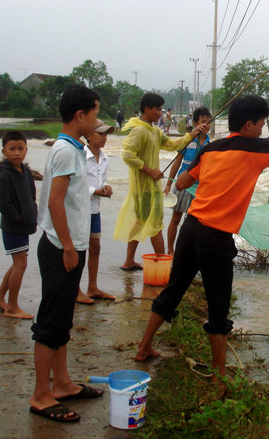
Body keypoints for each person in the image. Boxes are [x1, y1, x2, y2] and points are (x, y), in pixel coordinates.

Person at [135, 95, 269, 382]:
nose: (264, 130)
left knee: (173, 290)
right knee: (218, 307)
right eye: (263, 124)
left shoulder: (212, 148)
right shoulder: (255, 148)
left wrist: (213, 177)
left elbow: (180, 183)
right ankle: (218, 377)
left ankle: (143, 348)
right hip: (215, 238)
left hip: (191, 227)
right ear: (249, 124)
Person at [29, 85, 104, 423]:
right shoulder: (64, 151)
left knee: (62, 320)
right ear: (80, 115)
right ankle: (41, 395)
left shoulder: (75, 148)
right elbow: (54, 202)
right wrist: (70, 247)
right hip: (61, 247)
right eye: (95, 113)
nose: (97, 119)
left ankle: (61, 383)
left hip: (71, 244)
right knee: (50, 321)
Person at [114, 92, 209, 271]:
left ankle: (128, 261)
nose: (161, 113)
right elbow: (127, 155)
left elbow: (173, 145)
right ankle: (166, 266)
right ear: (147, 109)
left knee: (140, 222)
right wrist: (149, 170)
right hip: (143, 186)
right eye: (158, 109)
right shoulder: (140, 130)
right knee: (155, 224)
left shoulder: (153, 130)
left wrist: (193, 134)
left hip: (149, 185)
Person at [0, 131, 38, 319]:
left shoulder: (25, 171)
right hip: (13, 227)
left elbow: (31, 195)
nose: (16, 153)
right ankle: (12, 306)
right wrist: (17, 218)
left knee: (19, 263)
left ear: (26, 149)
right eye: (12, 149)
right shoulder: (5, 175)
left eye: (20, 149)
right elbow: (1, 203)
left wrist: (31, 214)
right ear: (4, 151)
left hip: (24, 224)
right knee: (21, 264)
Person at [75, 119, 115, 304]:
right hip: (80, 209)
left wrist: (106, 188)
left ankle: (92, 287)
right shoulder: (80, 156)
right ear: (89, 136)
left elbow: (101, 180)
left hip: (95, 209)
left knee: (95, 247)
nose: (104, 138)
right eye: (101, 134)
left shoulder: (104, 158)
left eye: (106, 134)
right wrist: (96, 191)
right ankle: (75, 289)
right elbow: (75, 184)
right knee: (79, 250)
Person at [164, 106, 211, 255]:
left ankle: (189, 253)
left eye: (209, 121)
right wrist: (169, 183)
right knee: (176, 218)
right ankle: (171, 251)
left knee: (196, 222)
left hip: (200, 188)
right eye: (203, 121)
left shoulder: (210, 145)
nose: (206, 124)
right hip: (183, 185)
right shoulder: (188, 140)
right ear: (196, 123)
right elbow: (177, 162)